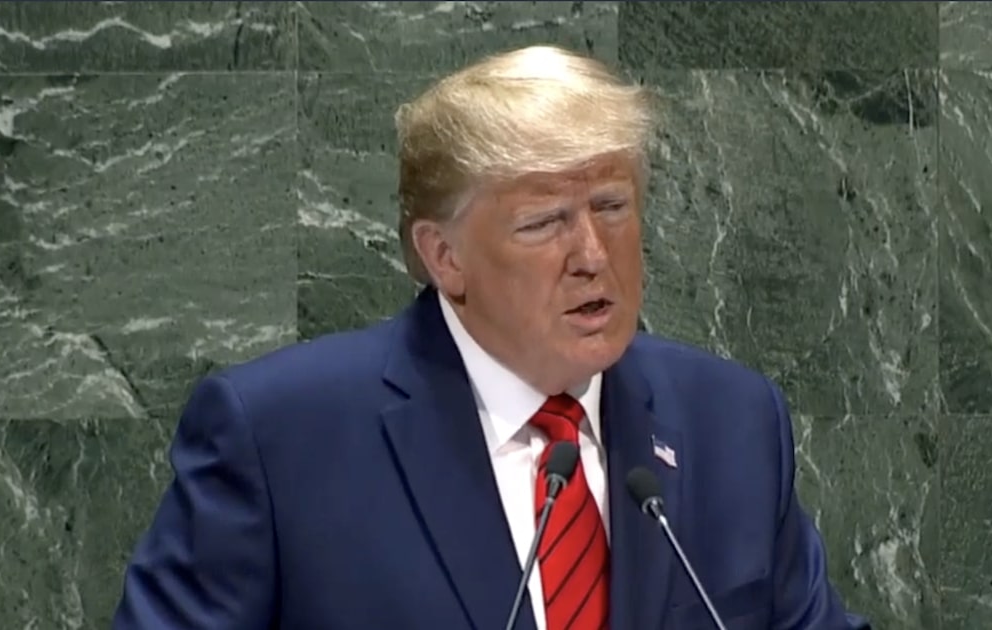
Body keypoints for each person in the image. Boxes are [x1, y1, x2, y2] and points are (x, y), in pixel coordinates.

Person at [113, 45, 870, 630]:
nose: (592, 254)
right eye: (544, 222)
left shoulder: (732, 421)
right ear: (445, 256)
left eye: (611, 206)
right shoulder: (280, 439)